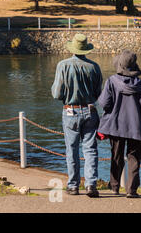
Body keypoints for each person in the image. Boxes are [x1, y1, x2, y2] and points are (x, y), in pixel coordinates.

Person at [97, 50, 141, 198]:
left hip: (116, 125)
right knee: (134, 158)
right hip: (136, 126)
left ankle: (114, 187)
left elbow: (104, 103)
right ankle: (132, 190)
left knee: (116, 156)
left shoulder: (111, 81)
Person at [51, 34, 103, 198]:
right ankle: (91, 185)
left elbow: (56, 93)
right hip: (90, 111)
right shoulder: (94, 67)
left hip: (70, 111)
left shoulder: (63, 65)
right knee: (90, 150)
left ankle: (73, 185)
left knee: (71, 150)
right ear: (86, 48)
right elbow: (98, 94)